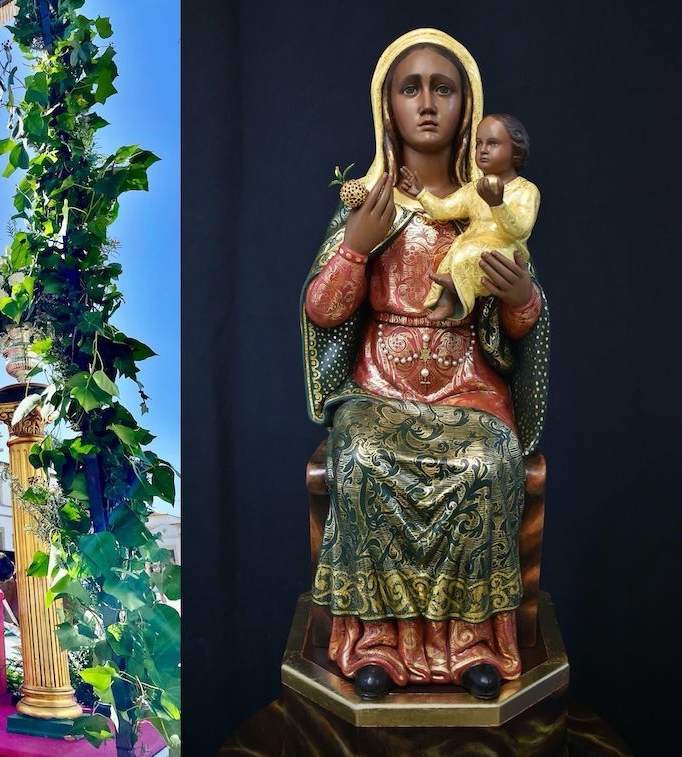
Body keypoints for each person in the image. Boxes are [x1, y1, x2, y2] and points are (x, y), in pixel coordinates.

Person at [301, 29, 549, 701]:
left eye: (444, 88)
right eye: (411, 88)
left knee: (486, 461)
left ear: (468, 106)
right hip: (378, 387)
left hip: (469, 384)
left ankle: (471, 642)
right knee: (363, 460)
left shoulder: (489, 208)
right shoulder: (370, 203)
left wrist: (520, 297)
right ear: (387, 105)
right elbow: (324, 310)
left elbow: (521, 324)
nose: (428, 103)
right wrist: (355, 247)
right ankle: (375, 642)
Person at [398, 113, 540, 321]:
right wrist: (421, 194)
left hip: (504, 251)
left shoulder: (526, 190)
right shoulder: (474, 189)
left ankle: (458, 286)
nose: (483, 150)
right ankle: (447, 301)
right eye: (478, 144)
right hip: (471, 245)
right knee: (455, 253)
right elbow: (444, 209)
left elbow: (520, 230)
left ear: (515, 150)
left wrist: (498, 205)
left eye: (492, 143)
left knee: (470, 254)